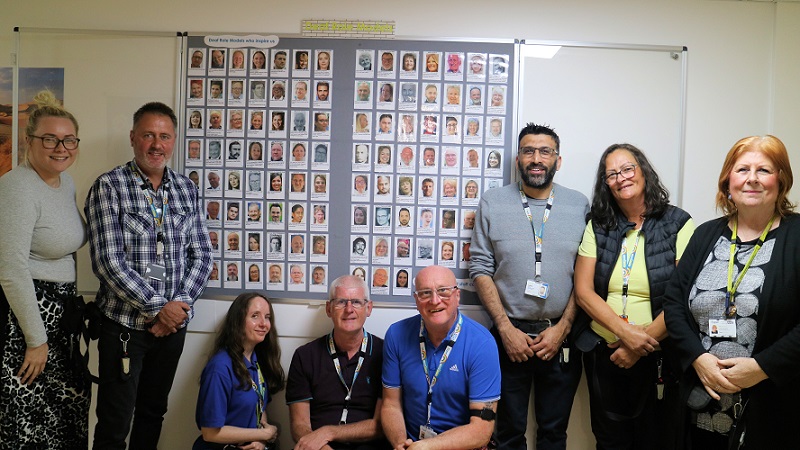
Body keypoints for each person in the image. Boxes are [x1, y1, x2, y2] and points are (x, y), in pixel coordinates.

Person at [85, 102, 213, 449]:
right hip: (124, 327)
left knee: (153, 413)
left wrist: (178, 308)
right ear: (132, 138)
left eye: (164, 136)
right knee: (115, 420)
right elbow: (108, 262)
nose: (156, 144)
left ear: (173, 141)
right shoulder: (109, 187)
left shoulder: (187, 189)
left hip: (173, 329)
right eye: (148, 135)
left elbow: (202, 256)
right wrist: (160, 308)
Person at [663, 135, 799, 449]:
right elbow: (674, 302)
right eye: (742, 170)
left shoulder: (796, 236)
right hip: (700, 403)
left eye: (764, 170)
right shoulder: (705, 234)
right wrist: (698, 359)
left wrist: (763, 367)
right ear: (728, 181)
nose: (752, 178)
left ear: (781, 180)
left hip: (772, 407)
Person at [470, 123, 589, 450]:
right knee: (507, 434)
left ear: (558, 160)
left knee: (554, 433)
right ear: (519, 159)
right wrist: (505, 329)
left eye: (545, 151)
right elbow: (480, 267)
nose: (536, 158)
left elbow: (586, 274)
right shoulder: (493, 202)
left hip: (560, 337)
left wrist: (563, 328)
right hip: (509, 338)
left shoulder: (579, 205)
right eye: (528, 151)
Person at [573, 143, 694, 449]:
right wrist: (625, 333)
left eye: (628, 169)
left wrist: (639, 346)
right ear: (606, 184)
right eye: (612, 174)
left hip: (658, 353)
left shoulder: (678, 223)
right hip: (606, 351)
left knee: (656, 438)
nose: (621, 178)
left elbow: (684, 295)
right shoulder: (598, 225)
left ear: (643, 172)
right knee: (610, 440)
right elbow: (584, 292)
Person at [0, 90, 88, 448]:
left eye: (69, 139)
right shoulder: (17, 187)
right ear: (29, 140)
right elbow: (11, 269)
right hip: (27, 319)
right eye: (50, 139)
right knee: (30, 425)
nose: (61, 147)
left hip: (61, 313)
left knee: (65, 418)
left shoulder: (64, 181)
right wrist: (36, 341)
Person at [381, 265, 500, 449]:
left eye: (443, 291)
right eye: (425, 293)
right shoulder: (396, 334)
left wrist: (427, 446)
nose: (435, 300)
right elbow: (391, 404)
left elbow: (482, 429)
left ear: (457, 295)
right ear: (416, 299)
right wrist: (400, 443)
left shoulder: (482, 344)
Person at [286, 275, 389, 450]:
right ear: (329, 309)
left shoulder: (387, 354)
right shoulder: (304, 356)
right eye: (341, 302)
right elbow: (299, 426)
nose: (349, 309)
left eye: (356, 302)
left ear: (369, 308)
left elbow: (381, 425)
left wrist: (328, 432)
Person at [193, 292, 283, 450]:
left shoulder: (257, 360)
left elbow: (259, 406)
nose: (264, 323)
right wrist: (265, 435)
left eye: (267, 317)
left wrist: (260, 441)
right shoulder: (220, 368)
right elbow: (210, 433)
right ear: (238, 321)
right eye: (255, 316)